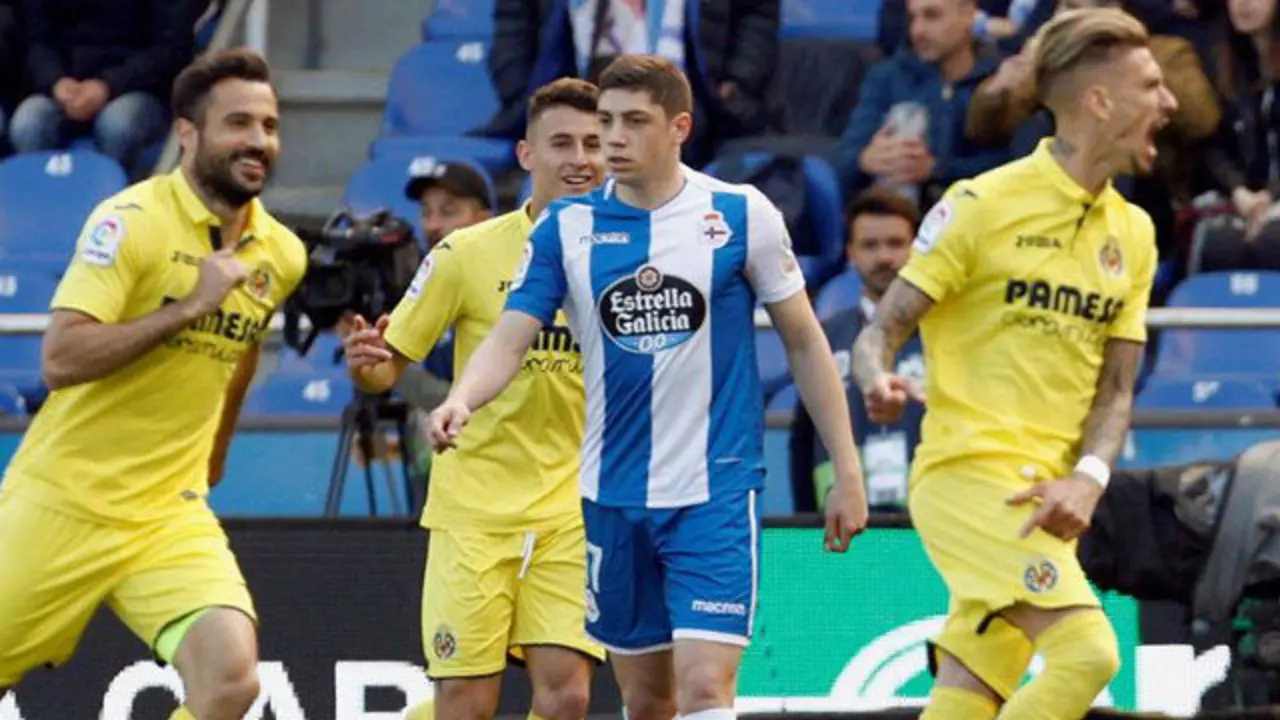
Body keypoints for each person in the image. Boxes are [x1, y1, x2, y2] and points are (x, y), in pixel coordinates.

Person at [428, 54, 870, 720]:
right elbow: (510, 337)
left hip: (714, 491)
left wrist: (847, 467)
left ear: (678, 128)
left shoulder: (739, 215)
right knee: (649, 701)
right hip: (610, 495)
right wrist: (463, 398)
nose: (613, 138)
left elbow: (807, 342)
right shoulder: (566, 228)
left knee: (705, 689)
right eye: (606, 121)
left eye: (634, 122)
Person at [852, 9, 1176, 720]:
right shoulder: (981, 203)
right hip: (969, 479)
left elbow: (1117, 389)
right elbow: (879, 331)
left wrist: (1089, 479)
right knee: (1089, 654)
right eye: (1152, 85)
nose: (1170, 101)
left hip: (1047, 496)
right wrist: (875, 377)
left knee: (966, 698)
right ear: (1099, 101)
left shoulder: (1136, 233)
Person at [0, 48, 306, 720]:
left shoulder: (280, 253)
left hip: (168, 512)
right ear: (188, 133)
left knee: (231, 681)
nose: (258, 141)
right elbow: (60, 358)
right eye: (238, 124)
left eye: (269, 126)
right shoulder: (129, 220)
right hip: (64, 501)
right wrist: (187, 309)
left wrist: (214, 455)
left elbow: (242, 351)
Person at [342, 77, 607, 720]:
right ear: (526, 155)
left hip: (574, 508)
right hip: (474, 511)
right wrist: (368, 367)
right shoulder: (466, 253)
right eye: (562, 143)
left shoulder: (633, 254)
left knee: (567, 696)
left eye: (594, 143)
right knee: (465, 703)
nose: (580, 159)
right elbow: (387, 368)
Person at [790, 188, 924, 513]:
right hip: (848, 524)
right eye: (870, 245)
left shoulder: (947, 336)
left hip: (932, 522)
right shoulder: (824, 336)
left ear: (917, 248)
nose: (884, 258)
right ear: (850, 253)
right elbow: (803, 436)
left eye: (895, 243)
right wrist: (806, 522)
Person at [9, 0, 195, 178]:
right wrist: (55, 81)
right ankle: (39, 204)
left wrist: (109, 85)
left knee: (118, 127)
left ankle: (120, 206)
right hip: (65, 84)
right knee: (28, 124)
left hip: (137, 87)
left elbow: (172, 49)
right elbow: (37, 41)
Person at [404, 160, 496, 249]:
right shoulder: (414, 261)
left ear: (484, 220)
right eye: (426, 213)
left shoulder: (507, 263)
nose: (433, 226)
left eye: (448, 212)